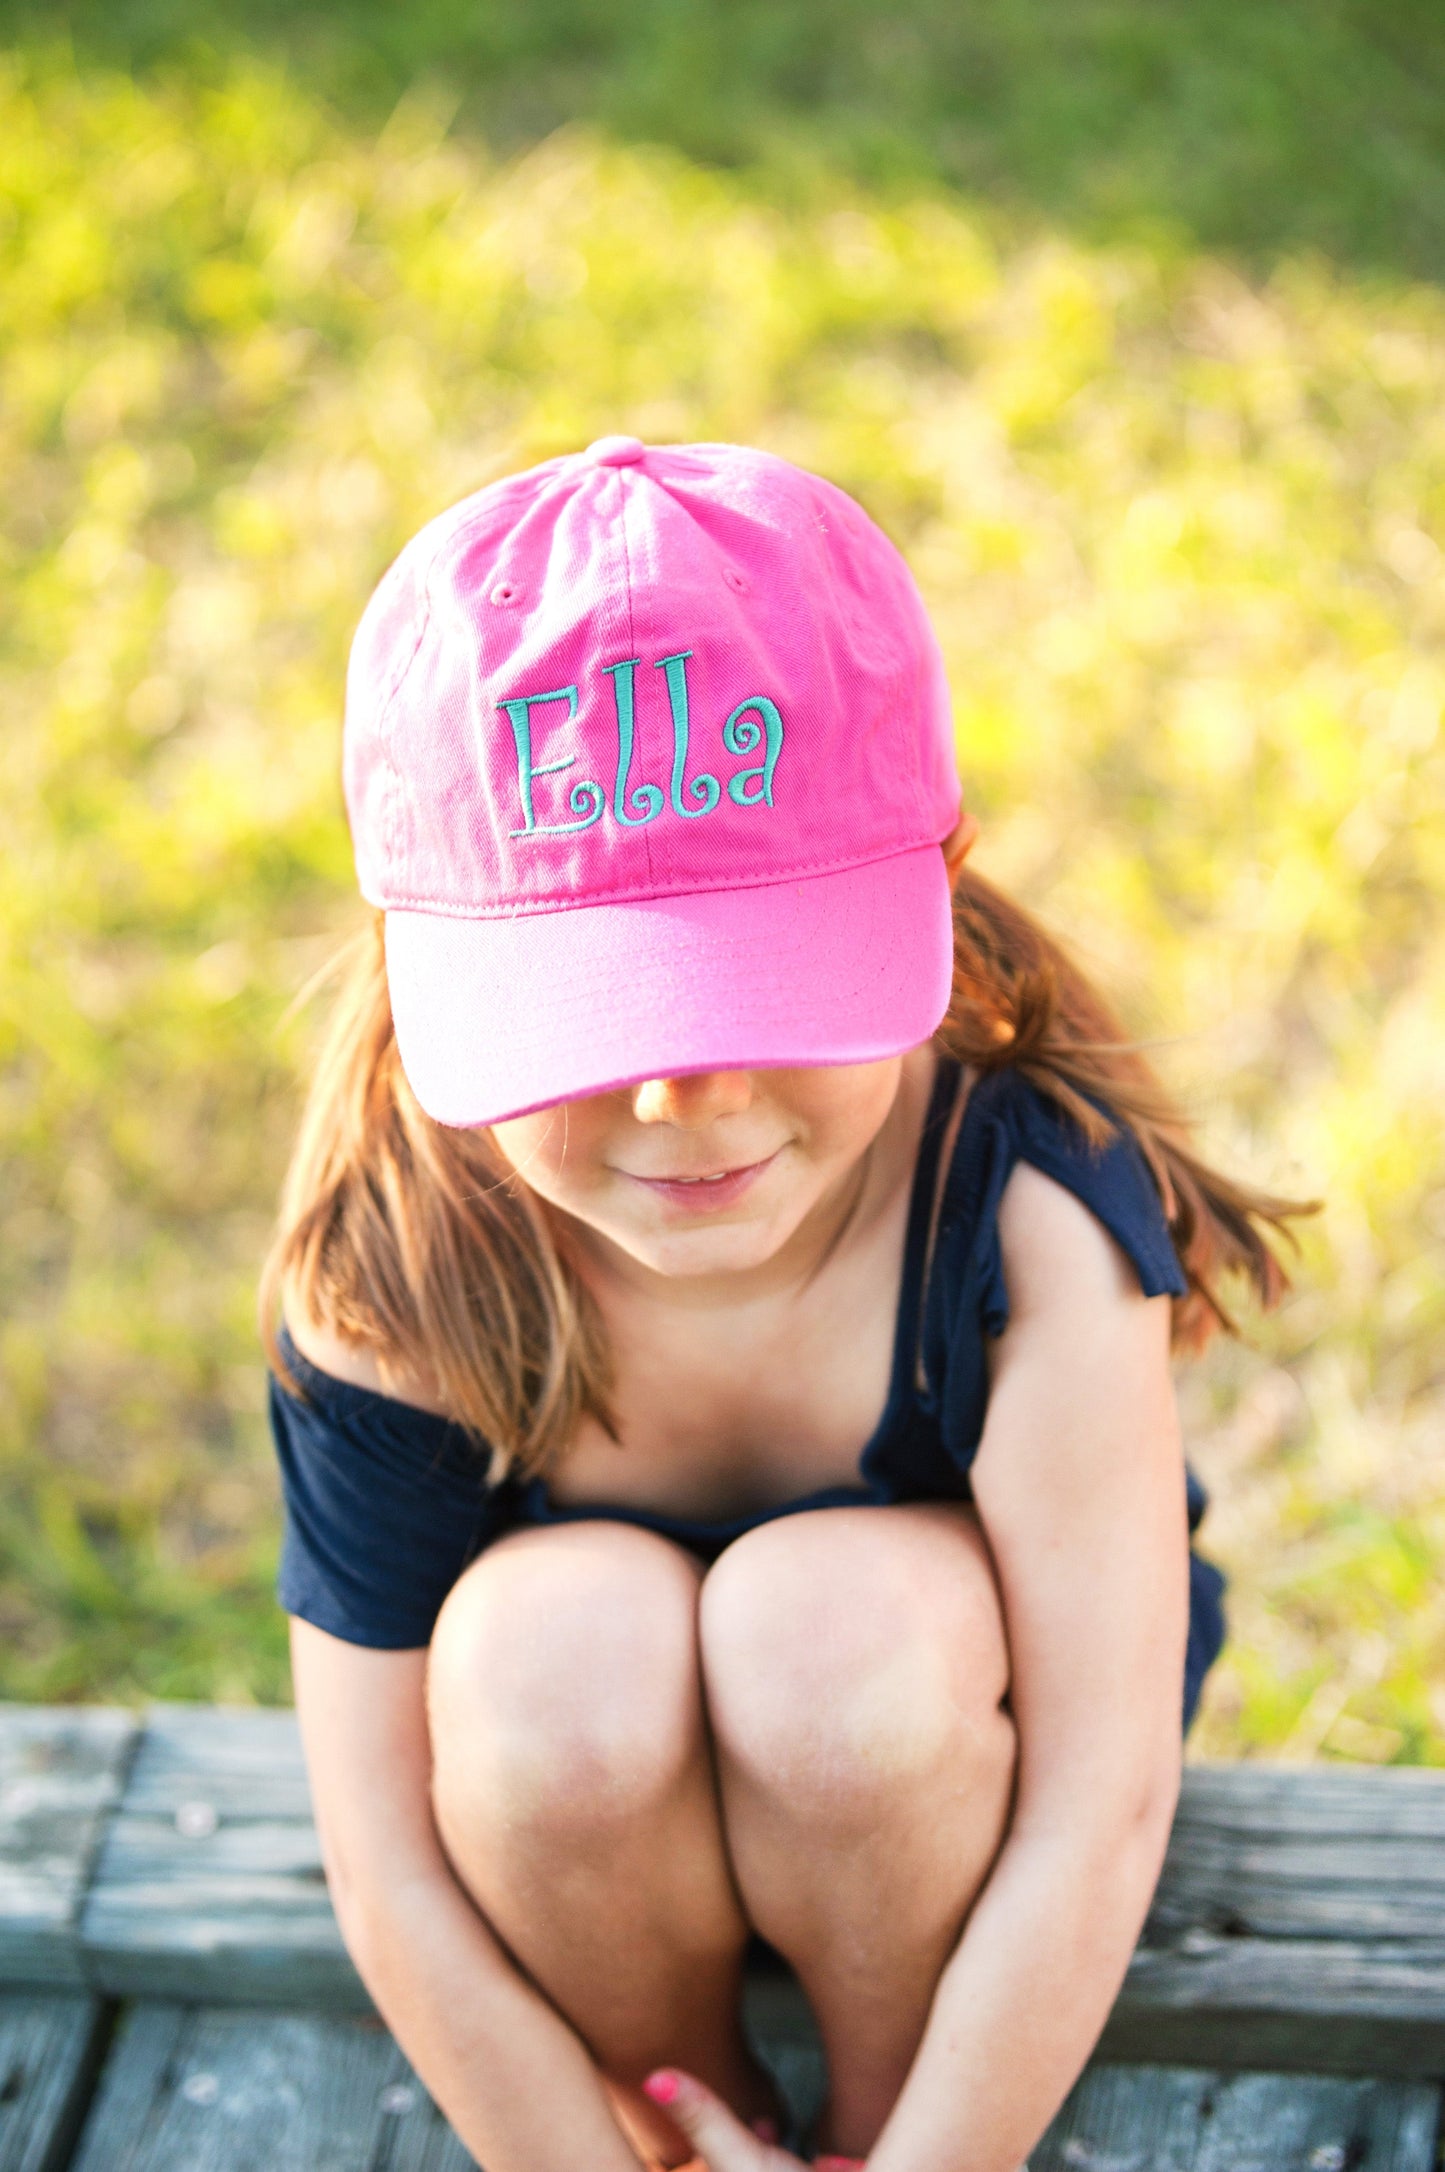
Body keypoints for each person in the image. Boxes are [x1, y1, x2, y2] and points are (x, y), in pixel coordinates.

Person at [259, 436, 1310, 2172]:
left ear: (931, 879)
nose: (691, 1105)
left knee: (831, 1637)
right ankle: (694, 2125)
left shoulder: (1029, 1212)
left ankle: (877, 2123)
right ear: (418, 952)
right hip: (590, 1858)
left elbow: (1098, 1806)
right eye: (601, 1025)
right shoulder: (395, 1277)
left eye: (770, 993)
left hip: (937, 1790)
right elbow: (386, 1862)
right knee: (541, 1657)